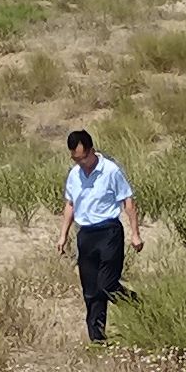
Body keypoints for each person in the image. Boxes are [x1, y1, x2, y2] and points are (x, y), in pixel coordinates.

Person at [61, 129, 140, 344]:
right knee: (91, 291)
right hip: (85, 235)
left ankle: (139, 308)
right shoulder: (74, 175)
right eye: (75, 159)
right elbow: (70, 204)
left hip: (109, 232)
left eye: (83, 157)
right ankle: (97, 339)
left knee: (107, 284)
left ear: (91, 150)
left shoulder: (110, 171)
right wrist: (63, 235)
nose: (80, 163)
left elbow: (128, 201)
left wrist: (135, 234)